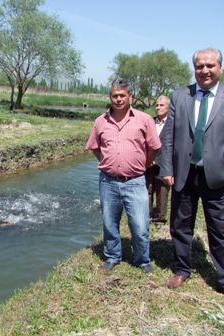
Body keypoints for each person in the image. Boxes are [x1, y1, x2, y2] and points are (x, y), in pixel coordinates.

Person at [159, 48, 224, 310]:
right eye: (199, 66)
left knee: (221, 231)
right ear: (194, 68)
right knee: (180, 225)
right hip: (184, 174)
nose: (204, 71)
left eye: (210, 65)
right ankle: (181, 269)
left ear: (220, 67)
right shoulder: (180, 96)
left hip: (217, 177)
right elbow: (168, 138)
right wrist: (167, 168)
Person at [86, 78, 161, 273]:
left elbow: (154, 147)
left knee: (140, 224)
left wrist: (142, 164)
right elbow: (94, 146)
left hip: (135, 181)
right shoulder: (100, 121)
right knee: (110, 222)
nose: (118, 99)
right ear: (110, 97)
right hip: (108, 181)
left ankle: (142, 259)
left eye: (122, 95)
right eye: (114, 96)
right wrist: (107, 161)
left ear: (131, 96)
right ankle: (112, 256)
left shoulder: (144, 119)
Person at [146, 95, 171, 224]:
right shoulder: (151, 121)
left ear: (169, 107)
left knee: (162, 192)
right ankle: (147, 215)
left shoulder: (173, 123)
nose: (158, 108)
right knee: (147, 189)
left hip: (164, 164)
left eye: (161, 105)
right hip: (148, 163)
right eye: (156, 105)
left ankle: (161, 218)